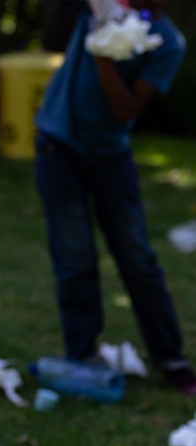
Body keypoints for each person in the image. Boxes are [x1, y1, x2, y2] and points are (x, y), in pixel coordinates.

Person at [34, 0, 196, 393]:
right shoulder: (98, 8)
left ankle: (170, 356)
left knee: (136, 256)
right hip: (59, 146)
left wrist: (103, 51)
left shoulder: (167, 43)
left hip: (110, 155)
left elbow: (125, 109)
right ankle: (81, 356)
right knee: (74, 258)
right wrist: (101, 17)